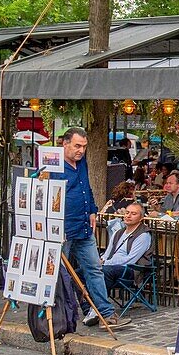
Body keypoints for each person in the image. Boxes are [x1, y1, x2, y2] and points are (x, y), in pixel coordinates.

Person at [60, 127, 131, 328]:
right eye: (77, 146)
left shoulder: (81, 162)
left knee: (94, 269)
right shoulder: (54, 166)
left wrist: (92, 210)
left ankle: (105, 314)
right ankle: (64, 313)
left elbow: (86, 186)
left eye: (83, 147)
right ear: (65, 144)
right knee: (61, 273)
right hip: (64, 228)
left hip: (82, 226)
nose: (80, 150)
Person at [100, 203, 152, 295]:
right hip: (111, 266)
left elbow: (130, 260)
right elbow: (107, 253)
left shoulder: (143, 235)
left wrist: (106, 263)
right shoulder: (118, 233)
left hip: (130, 270)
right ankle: (87, 306)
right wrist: (101, 261)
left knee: (104, 272)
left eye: (133, 214)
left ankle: (100, 305)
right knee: (81, 272)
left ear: (141, 218)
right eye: (127, 212)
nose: (128, 216)